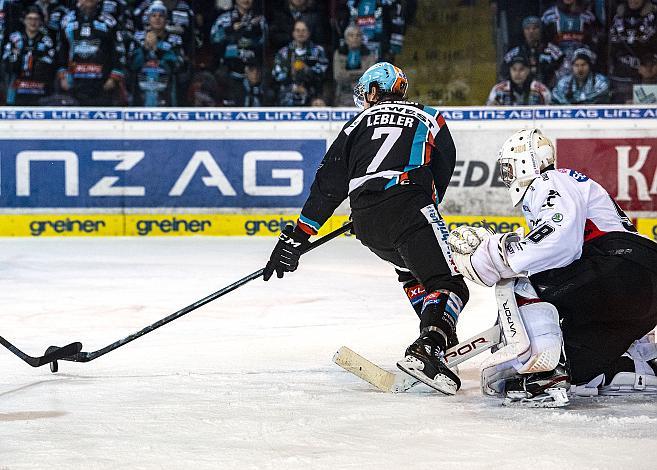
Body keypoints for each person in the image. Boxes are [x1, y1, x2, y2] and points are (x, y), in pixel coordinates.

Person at [263, 62, 470, 396]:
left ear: (375, 91)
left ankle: (437, 333)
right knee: (450, 284)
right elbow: (444, 162)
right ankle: (429, 345)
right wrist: (425, 201)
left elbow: (328, 184)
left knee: (411, 272)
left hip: (366, 220)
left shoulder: (356, 122)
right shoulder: (429, 115)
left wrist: (298, 236)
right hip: (408, 207)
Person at [447, 128, 657, 406]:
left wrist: (498, 256)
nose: (507, 176)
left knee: (523, 286)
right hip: (641, 283)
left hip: (619, 264)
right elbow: (568, 255)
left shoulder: (548, 180)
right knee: (581, 370)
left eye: (508, 168)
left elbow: (558, 240)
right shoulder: (567, 185)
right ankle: (640, 362)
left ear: (524, 162)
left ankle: (544, 375)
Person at [58, 0, 126, 106]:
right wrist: (62, 76)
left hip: (102, 83)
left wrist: (114, 78)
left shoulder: (109, 21)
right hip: (74, 82)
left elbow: (119, 50)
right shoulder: (67, 21)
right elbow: (61, 50)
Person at [130, 1, 183, 106]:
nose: (157, 18)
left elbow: (177, 65)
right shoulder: (138, 37)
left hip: (166, 86)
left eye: (161, 16)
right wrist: (145, 49)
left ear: (166, 20)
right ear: (148, 19)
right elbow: (133, 64)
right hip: (141, 86)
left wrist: (158, 49)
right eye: (153, 16)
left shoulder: (175, 39)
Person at [2, 6, 56, 105]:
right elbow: (6, 59)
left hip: (39, 88)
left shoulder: (47, 41)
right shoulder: (14, 38)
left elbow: (50, 62)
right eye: (30, 18)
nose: (33, 22)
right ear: (24, 20)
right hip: (17, 87)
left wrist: (34, 60)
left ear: (41, 21)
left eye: (36, 19)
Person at [609, 0, 657, 103]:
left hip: (649, 73)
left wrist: (652, 64)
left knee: (647, 108)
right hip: (622, 75)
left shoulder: (654, 16)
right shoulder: (617, 16)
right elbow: (612, 46)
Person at [272, 19, 328, 106]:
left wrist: (307, 70)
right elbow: (277, 74)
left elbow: (323, 71)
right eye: (297, 30)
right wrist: (293, 84)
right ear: (293, 33)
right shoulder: (283, 52)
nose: (300, 33)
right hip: (287, 96)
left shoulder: (318, 51)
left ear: (309, 33)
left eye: (303, 30)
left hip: (312, 95)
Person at [500, 16, 563, 88]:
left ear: (540, 30)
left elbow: (564, 70)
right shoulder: (515, 52)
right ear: (523, 31)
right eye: (527, 28)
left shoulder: (552, 50)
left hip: (548, 90)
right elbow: (503, 72)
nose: (531, 31)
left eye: (535, 28)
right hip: (522, 91)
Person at [333, 24, 376, 107]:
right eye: (351, 35)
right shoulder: (339, 53)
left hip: (363, 96)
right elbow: (338, 76)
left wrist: (348, 74)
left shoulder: (369, 54)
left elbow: (370, 78)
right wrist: (361, 73)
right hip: (343, 95)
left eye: (358, 35)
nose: (355, 38)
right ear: (346, 39)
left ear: (361, 39)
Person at [487, 54, 551, 105]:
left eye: (521, 69)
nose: (517, 73)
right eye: (514, 69)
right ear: (509, 70)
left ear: (528, 71)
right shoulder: (498, 90)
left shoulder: (541, 90)